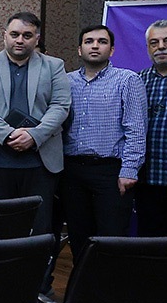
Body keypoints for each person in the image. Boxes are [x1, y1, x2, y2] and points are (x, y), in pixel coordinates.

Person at [0, 12, 70, 235]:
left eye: (27, 35)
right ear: (4, 35)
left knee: (39, 228)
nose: (20, 40)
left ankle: (38, 261)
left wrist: (34, 135)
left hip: (40, 163)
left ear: (37, 38)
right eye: (14, 34)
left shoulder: (54, 66)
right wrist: (8, 134)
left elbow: (61, 106)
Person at [57, 25, 144, 255]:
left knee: (111, 239)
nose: (95, 46)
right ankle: (82, 280)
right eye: (89, 41)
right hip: (72, 171)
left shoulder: (128, 80)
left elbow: (136, 129)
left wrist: (129, 170)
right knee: (79, 237)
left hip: (111, 172)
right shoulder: (65, 81)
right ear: (79, 49)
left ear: (112, 50)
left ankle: (111, 281)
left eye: (102, 42)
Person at [140, 20, 167, 237]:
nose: (161, 47)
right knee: (150, 242)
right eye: (154, 42)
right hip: (148, 179)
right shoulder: (137, 80)